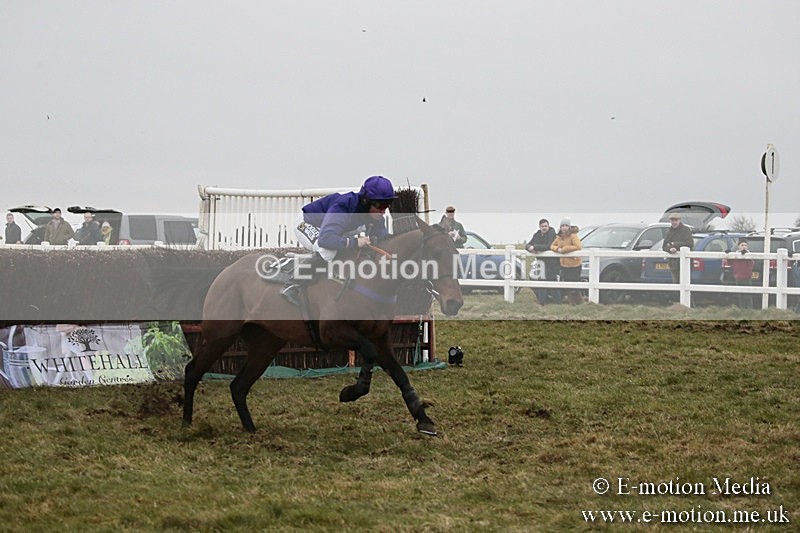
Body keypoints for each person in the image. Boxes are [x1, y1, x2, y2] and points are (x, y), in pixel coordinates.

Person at [280, 175, 397, 305]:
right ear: (366, 201)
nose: (383, 210)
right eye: (380, 205)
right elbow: (326, 239)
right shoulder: (343, 206)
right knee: (328, 251)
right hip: (307, 223)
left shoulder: (375, 215)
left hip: (334, 230)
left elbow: (383, 241)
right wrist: (355, 242)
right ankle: (291, 285)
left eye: (387, 205)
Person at [526, 218, 560, 304]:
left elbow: (548, 246)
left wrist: (535, 247)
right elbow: (528, 244)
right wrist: (529, 248)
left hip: (552, 263)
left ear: (548, 226)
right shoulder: (537, 235)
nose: (544, 228)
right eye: (542, 226)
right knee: (539, 281)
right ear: (539, 227)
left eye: (545, 226)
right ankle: (543, 301)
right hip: (541, 263)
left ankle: (555, 302)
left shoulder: (552, 234)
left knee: (552, 283)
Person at [551, 217, 582, 305]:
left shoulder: (573, 236)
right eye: (562, 226)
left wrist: (564, 249)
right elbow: (552, 246)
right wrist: (557, 249)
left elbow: (578, 246)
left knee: (574, 285)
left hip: (574, 265)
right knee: (567, 285)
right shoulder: (559, 237)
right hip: (564, 265)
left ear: (569, 227)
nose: (564, 228)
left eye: (566, 226)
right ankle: (572, 303)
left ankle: (578, 302)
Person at [662, 213, 694, 284]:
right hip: (673, 264)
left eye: (675, 220)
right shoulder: (670, 231)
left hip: (685, 264)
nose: (674, 222)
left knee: (685, 283)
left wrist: (675, 244)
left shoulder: (686, 230)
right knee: (675, 284)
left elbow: (690, 244)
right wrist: (670, 249)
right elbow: (664, 246)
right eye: (672, 220)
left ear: (679, 220)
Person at [730, 238, 755, 309]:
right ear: (738, 246)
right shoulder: (736, 255)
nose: (744, 246)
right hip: (738, 277)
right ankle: (742, 309)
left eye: (745, 245)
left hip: (746, 277)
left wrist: (746, 256)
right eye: (742, 245)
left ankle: (749, 309)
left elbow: (751, 264)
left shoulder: (749, 254)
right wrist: (728, 254)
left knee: (748, 295)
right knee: (740, 295)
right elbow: (730, 262)